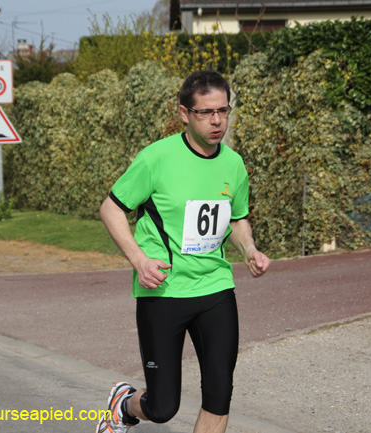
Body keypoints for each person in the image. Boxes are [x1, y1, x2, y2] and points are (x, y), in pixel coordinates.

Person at [96, 71, 271, 433]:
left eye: (223, 110)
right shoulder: (156, 158)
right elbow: (111, 208)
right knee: (162, 408)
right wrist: (139, 260)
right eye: (206, 112)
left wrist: (249, 249)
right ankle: (124, 405)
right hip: (164, 291)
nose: (217, 120)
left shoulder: (234, 164)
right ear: (184, 113)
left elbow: (237, 219)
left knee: (219, 394)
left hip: (215, 288)